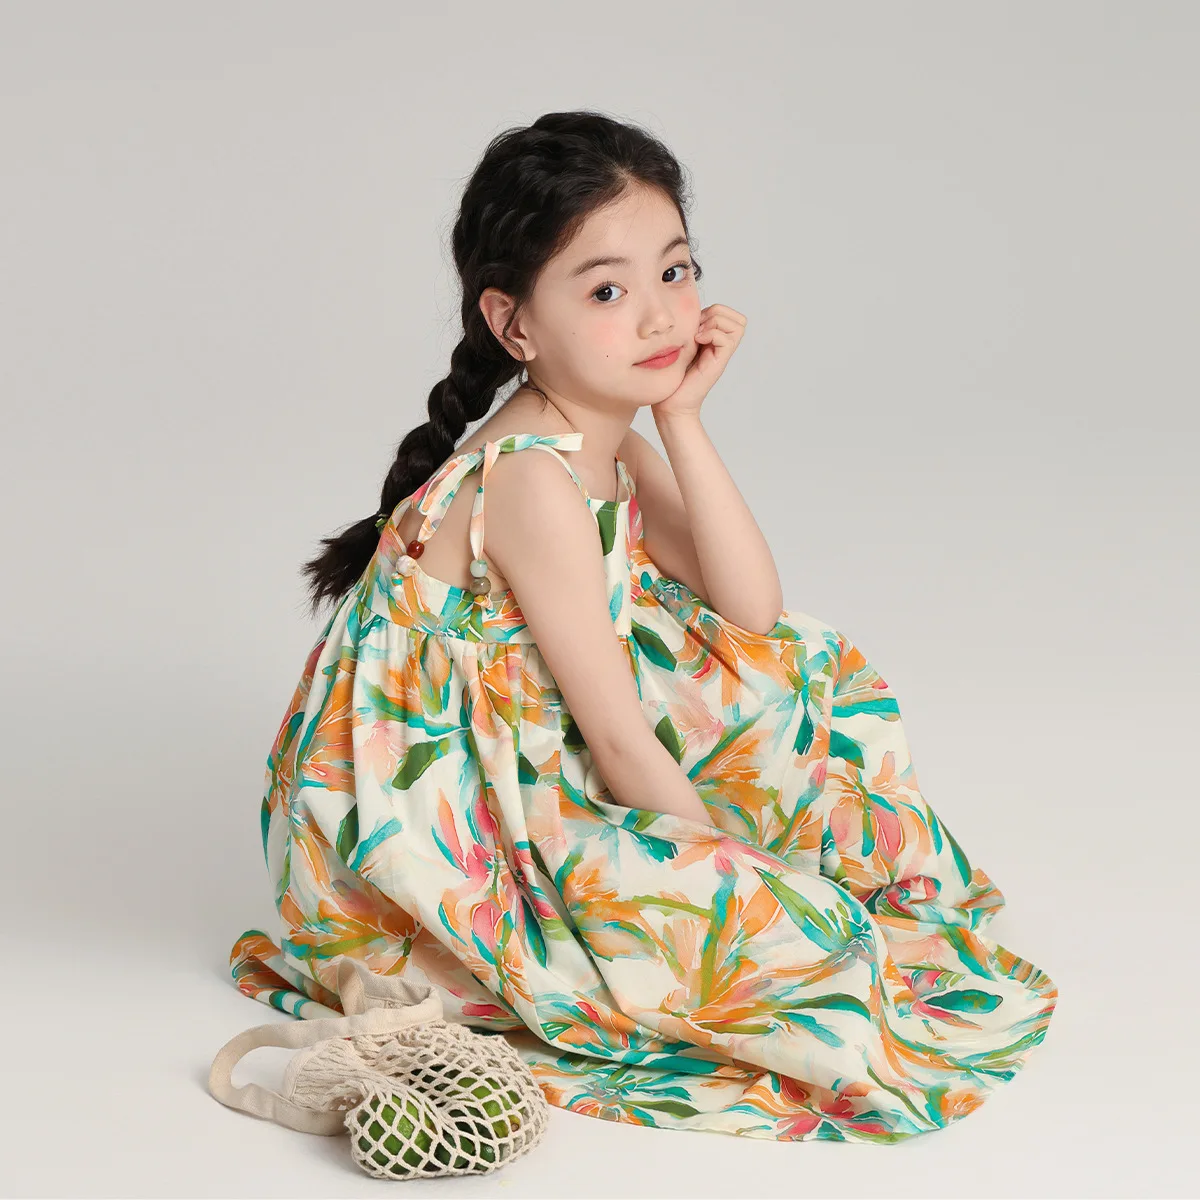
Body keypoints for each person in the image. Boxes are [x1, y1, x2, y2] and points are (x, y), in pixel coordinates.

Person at [228, 110, 1057, 1144]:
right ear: (514, 325)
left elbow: (751, 612)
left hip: (540, 752)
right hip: (455, 828)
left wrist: (683, 418)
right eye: (608, 292)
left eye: (676, 271)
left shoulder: (604, 434)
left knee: (814, 680)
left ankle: (771, 899)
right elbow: (618, 743)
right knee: (774, 931)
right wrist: (743, 881)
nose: (663, 316)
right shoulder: (530, 479)